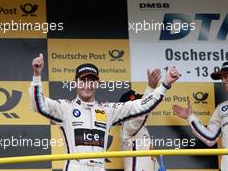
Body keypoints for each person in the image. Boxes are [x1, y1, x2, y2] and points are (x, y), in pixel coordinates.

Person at [29, 53, 180, 171]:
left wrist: (165, 85)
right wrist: (37, 76)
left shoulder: (107, 110)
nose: (87, 85)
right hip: (76, 167)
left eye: (92, 81)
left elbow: (142, 106)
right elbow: (38, 105)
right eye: (83, 81)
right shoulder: (65, 108)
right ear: (75, 83)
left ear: (98, 84)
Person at [172, 62, 228, 170]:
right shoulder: (222, 108)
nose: (224, 81)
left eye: (226, 76)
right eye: (222, 78)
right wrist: (190, 117)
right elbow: (210, 138)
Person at [120, 69, 161, 171]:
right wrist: (151, 88)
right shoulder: (128, 124)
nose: (140, 105)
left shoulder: (141, 127)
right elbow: (142, 111)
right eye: (137, 103)